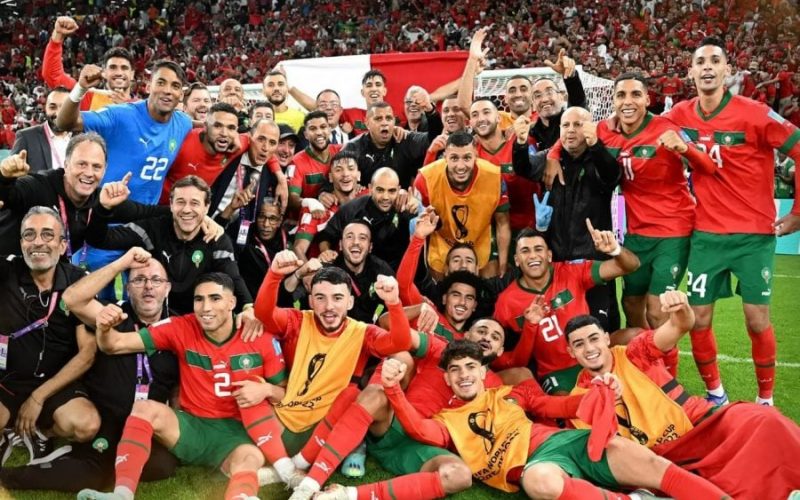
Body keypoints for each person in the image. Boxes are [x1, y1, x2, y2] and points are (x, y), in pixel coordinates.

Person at [366, 341, 729, 500]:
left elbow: (559, 407)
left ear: (482, 372)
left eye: (470, 367)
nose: (463, 375)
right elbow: (419, 430)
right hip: (537, 465)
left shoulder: (510, 393)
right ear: (447, 379)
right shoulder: (446, 421)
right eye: (455, 370)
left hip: (563, 443)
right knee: (539, 482)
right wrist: (394, 390)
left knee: (649, 463)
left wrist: (599, 391)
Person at [667, 37, 800, 406]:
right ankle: (716, 395)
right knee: (698, 319)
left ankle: (765, 400)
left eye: (715, 60)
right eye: (700, 61)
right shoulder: (679, 114)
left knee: (757, 320)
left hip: (753, 237)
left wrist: (797, 212)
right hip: (706, 236)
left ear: (728, 70)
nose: (707, 67)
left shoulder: (755, 114)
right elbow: (642, 127)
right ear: (690, 72)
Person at [567, 291, 800, 499]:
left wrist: (681, 309)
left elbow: (679, 326)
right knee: (717, 483)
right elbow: (604, 455)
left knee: (765, 419)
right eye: (579, 344)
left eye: (594, 338)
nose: (589, 349)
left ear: (606, 339)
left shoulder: (635, 353)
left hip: (699, 423)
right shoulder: (578, 398)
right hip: (659, 458)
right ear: (571, 352)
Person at [75, 272, 288, 500]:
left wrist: (266, 390)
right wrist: (104, 329)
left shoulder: (259, 336)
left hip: (238, 433)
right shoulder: (181, 327)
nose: (205, 307)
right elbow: (114, 345)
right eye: (199, 299)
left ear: (232, 302)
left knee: (249, 459)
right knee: (145, 408)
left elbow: (285, 394)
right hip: (192, 428)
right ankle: (121, 495)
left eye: (215, 298)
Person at [296, 321, 543, 500]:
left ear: (500, 351)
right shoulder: (442, 348)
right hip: (390, 423)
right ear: (466, 334)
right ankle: (309, 484)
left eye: (495, 336)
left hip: (424, 447)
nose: (487, 337)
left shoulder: (496, 387)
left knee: (459, 475)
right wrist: (395, 301)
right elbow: (400, 335)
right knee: (383, 380)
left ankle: (346, 495)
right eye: (482, 330)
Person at [0, 250, 179, 491]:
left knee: (163, 465)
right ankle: (11, 476)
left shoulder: (179, 327)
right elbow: (71, 298)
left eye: (156, 280)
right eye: (139, 280)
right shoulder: (111, 313)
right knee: (90, 475)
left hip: (145, 422)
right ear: (127, 288)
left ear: (167, 288)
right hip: (106, 418)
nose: (148, 286)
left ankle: (96, 458)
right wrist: (122, 263)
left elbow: (180, 386)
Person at [252, 252, 413, 496]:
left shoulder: (363, 332)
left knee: (351, 395)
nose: (329, 307)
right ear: (310, 300)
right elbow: (264, 313)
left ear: (350, 302)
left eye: (337, 298)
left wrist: (393, 302)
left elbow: (400, 342)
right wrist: (274, 274)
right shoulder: (297, 321)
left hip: (327, 426)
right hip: (286, 416)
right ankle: (291, 468)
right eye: (321, 298)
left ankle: (300, 476)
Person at [595, 74, 717, 331]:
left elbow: (708, 166)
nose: (628, 101)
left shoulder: (666, 127)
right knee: (631, 303)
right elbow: (569, 134)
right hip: (636, 233)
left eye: (635, 94)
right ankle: (644, 352)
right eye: (621, 95)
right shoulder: (604, 130)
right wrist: (553, 155)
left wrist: (685, 149)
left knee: (657, 309)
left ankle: (663, 356)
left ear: (647, 100)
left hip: (673, 232)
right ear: (614, 101)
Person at [83, 175, 256, 325]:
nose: (187, 209)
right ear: (171, 204)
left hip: (194, 325)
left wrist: (248, 307)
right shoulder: (153, 229)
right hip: (151, 321)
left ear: (206, 207)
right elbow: (100, 239)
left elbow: (232, 276)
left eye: (195, 203)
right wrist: (103, 208)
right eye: (180, 202)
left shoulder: (215, 238)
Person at [0, 207, 99, 462]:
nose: (38, 243)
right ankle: (8, 430)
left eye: (47, 234)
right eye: (29, 235)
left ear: (62, 244)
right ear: (21, 242)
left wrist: (38, 396)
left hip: (57, 383)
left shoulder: (78, 281)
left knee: (86, 425)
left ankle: (41, 433)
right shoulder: (7, 270)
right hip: (7, 382)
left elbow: (88, 354)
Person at [494, 226, 639, 394]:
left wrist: (615, 250)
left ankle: (659, 389)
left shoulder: (570, 271)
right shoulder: (506, 301)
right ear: (517, 260)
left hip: (594, 350)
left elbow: (631, 266)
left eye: (538, 249)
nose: (533, 255)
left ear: (549, 255)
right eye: (525, 251)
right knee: (567, 404)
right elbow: (494, 351)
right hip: (557, 372)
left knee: (636, 336)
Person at [514, 107, 621, 332]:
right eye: (565, 125)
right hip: (559, 260)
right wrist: (521, 144)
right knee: (565, 323)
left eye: (578, 124)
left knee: (601, 324)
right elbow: (523, 168)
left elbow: (612, 175)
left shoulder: (600, 157)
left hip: (593, 259)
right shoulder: (550, 158)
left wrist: (595, 145)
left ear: (590, 128)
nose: (570, 130)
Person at [0, 133, 168, 258]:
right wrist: (5, 177)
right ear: (66, 165)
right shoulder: (39, 186)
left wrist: (179, 209)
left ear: (104, 170)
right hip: (7, 272)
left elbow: (146, 212)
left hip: (46, 278)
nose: (89, 173)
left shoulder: (101, 200)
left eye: (96, 167)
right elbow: (9, 195)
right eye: (82, 164)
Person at [413, 131, 511, 279]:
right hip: (442, 242)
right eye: (454, 158)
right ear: (445, 156)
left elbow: (502, 222)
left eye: (467, 158)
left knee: (490, 281)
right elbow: (419, 226)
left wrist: (503, 265)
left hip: (480, 241)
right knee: (444, 287)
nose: (460, 166)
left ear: (476, 155)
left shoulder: (494, 177)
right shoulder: (425, 179)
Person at [317, 167, 418, 268]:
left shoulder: (407, 207)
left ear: (398, 190)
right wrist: (326, 252)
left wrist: (418, 208)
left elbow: (425, 231)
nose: (385, 197)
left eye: (391, 191)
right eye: (380, 190)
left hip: (399, 270)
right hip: (359, 270)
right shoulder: (354, 208)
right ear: (370, 189)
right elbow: (326, 235)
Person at [469, 98, 538, 237]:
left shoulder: (522, 141)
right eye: (475, 115)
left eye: (486, 112)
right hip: (491, 232)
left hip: (530, 230)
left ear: (499, 118)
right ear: (470, 123)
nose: (481, 119)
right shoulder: (470, 154)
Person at [209, 119, 287, 243]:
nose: (265, 148)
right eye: (261, 139)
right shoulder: (229, 155)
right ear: (249, 137)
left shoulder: (272, 175)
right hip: (206, 227)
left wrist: (282, 180)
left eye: (272, 143)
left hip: (239, 241)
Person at [159, 102, 248, 205]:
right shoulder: (182, 142)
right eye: (217, 126)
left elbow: (255, 137)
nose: (224, 133)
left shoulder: (236, 146)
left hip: (193, 211)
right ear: (205, 126)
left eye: (231, 128)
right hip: (158, 207)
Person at [43, 16, 135, 111]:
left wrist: (125, 107)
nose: (119, 73)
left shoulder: (143, 107)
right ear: (104, 72)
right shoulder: (88, 97)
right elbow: (53, 75)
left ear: (132, 74)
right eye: (113, 67)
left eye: (124, 68)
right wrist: (58, 35)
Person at [293, 150, 366, 260]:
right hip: (323, 269)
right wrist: (308, 270)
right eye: (338, 170)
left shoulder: (370, 199)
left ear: (359, 175)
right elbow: (298, 249)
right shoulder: (316, 208)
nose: (345, 174)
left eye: (351, 169)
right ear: (330, 177)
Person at [342, 102, 430, 188]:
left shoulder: (404, 138)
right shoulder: (353, 148)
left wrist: (431, 112)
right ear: (367, 123)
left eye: (388, 118)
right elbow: (340, 178)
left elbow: (433, 139)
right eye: (378, 119)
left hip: (402, 196)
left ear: (394, 121)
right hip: (368, 197)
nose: (384, 123)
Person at [329, 221, 395, 324]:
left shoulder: (382, 271)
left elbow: (393, 312)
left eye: (362, 238)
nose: (356, 242)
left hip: (375, 330)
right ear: (340, 245)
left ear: (370, 247)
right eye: (349, 237)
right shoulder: (329, 272)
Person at [238, 198, 293, 305]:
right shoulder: (245, 238)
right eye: (262, 217)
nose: (266, 224)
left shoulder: (288, 239)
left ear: (279, 220)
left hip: (282, 303)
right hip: (253, 303)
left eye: (272, 219)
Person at [287, 111, 343, 211]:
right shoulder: (296, 162)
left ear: (329, 129)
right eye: (313, 129)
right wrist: (309, 202)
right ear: (306, 134)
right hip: (309, 216)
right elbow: (292, 199)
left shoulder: (342, 151)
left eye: (323, 127)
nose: (319, 132)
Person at [11, 87, 71, 172]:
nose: (58, 113)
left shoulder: (82, 136)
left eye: (65, 107)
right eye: (52, 107)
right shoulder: (26, 137)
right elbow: (11, 174)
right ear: (45, 108)